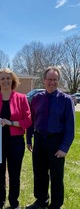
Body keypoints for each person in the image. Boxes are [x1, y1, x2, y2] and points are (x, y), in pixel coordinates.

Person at [25, 66, 75, 209]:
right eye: (49, 79)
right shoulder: (36, 98)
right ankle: (41, 201)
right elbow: (31, 120)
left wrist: (64, 148)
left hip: (56, 142)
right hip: (40, 140)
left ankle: (56, 204)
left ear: (58, 81)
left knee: (56, 176)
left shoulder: (66, 100)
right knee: (39, 173)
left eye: (55, 79)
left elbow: (70, 127)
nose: (52, 82)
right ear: (44, 80)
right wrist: (29, 139)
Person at [0, 68, 32, 209]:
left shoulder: (22, 98)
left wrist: (11, 123)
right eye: (2, 78)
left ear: (13, 80)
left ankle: (14, 202)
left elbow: (28, 120)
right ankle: (0, 201)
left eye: (8, 78)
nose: (5, 81)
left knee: (14, 174)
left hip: (15, 142)